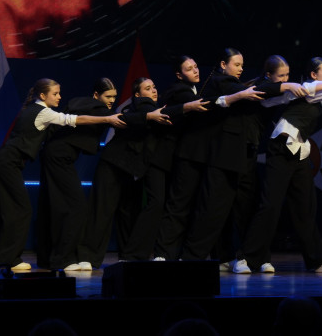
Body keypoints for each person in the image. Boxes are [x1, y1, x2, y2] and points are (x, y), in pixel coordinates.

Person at [233, 57, 322, 274]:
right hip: (281, 147)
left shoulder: (315, 91)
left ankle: (318, 260)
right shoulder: (305, 89)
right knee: (270, 205)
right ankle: (246, 259)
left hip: (298, 151)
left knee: (305, 207)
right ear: (314, 75)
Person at [0, 78, 126, 272]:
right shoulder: (43, 112)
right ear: (42, 95)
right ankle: (9, 259)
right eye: (55, 94)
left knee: (0, 209)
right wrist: (107, 119)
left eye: (59, 93)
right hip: (8, 162)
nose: (59, 97)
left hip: (5, 161)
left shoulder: (34, 109)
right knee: (20, 210)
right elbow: (73, 120)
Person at [180, 54, 307, 263]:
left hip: (246, 152)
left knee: (247, 207)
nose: (240, 68)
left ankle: (249, 258)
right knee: (214, 207)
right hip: (226, 154)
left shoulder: (250, 87)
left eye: (287, 76)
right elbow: (257, 90)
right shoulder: (222, 81)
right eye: (236, 64)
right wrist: (288, 86)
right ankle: (192, 257)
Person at [154, 49, 265, 261]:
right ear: (179, 74)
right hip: (188, 155)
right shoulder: (180, 91)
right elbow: (205, 104)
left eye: (196, 66)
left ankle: (204, 255)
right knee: (179, 205)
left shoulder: (201, 88)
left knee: (202, 206)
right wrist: (239, 94)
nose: (195, 71)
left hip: (203, 155)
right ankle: (163, 254)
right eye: (189, 69)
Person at [76, 76, 195, 268]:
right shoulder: (143, 105)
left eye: (154, 86)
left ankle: (128, 256)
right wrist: (188, 106)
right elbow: (149, 114)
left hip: (131, 169)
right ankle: (87, 257)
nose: (153, 90)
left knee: (128, 213)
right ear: (137, 95)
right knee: (102, 210)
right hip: (114, 164)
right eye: (147, 88)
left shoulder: (154, 110)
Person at [35, 78, 119, 271]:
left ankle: (48, 259)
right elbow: (116, 118)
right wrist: (150, 115)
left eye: (114, 96)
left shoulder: (86, 105)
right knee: (76, 206)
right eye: (108, 96)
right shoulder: (94, 106)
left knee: (53, 206)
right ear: (96, 95)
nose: (112, 100)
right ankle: (63, 260)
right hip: (58, 157)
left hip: (55, 155)